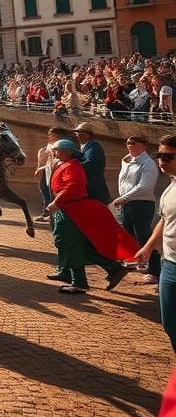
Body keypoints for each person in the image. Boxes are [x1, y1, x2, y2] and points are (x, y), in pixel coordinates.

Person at [47, 139, 134, 295]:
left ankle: (79, 282)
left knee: (68, 243)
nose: (54, 152)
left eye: (57, 150)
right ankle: (113, 268)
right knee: (73, 244)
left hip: (73, 210)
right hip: (69, 209)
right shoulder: (66, 164)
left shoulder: (72, 166)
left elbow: (72, 187)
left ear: (67, 152)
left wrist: (56, 201)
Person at [136, 135, 176, 352]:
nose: (162, 160)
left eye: (168, 156)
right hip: (169, 265)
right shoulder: (170, 188)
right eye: (160, 155)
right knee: (169, 323)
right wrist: (148, 246)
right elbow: (164, 219)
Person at [114, 134, 161, 285]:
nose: (130, 145)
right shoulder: (128, 161)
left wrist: (124, 198)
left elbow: (144, 186)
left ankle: (155, 271)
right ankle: (140, 262)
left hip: (142, 204)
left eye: (134, 143)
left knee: (144, 237)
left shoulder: (148, 164)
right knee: (130, 235)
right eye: (128, 143)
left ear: (144, 146)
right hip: (128, 204)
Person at [74, 123, 112, 204]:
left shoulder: (94, 147)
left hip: (94, 189)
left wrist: (72, 167)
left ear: (88, 134)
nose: (77, 134)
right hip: (88, 188)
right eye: (76, 132)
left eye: (80, 132)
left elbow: (90, 163)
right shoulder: (83, 147)